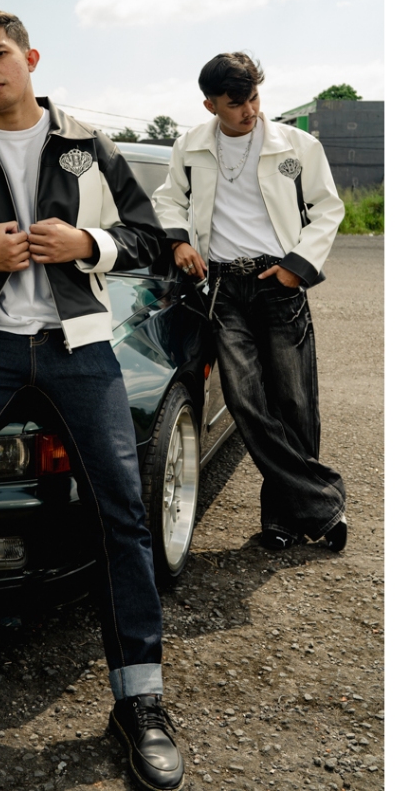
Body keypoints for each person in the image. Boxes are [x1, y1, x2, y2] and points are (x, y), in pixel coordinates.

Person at [0, 7, 186, 791]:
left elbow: (148, 239)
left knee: (120, 503)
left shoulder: (90, 146)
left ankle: (139, 697)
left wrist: (90, 245)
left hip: (75, 343)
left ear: (30, 58)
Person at [152, 52, 348, 554]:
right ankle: (323, 502)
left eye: (254, 98)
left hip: (278, 281)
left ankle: (283, 518)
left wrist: (296, 266)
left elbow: (328, 208)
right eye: (236, 103)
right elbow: (168, 199)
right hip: (223, 287)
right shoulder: (190, 146)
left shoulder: (297, 146)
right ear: (210, 105)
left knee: (294, 401)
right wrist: (178, 241)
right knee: (244, 400)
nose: (250, 111)